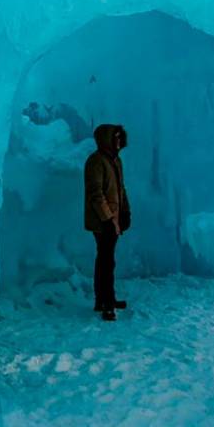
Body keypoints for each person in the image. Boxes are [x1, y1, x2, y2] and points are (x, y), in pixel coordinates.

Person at [84, 123, 131, 321]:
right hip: (102, 221)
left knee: (106, 260)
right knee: (105, 261)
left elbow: (120, 190)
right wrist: (109, 219)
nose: (119, 141)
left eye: (121, 137)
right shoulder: (96, 161)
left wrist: (125, 212)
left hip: (113, 219)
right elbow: (96, 194)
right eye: (116, 137)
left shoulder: (115, 161)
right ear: (107, 139)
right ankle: (106, 302)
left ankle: (104, 299)